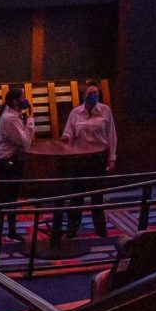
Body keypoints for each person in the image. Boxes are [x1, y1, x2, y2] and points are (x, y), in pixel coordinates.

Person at [59, 84, 117, 238]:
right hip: (79, 159)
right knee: (76, 195)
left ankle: (101, 230)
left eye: (96, 93)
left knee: (97, 196)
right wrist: (66, 138)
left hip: (97, 158)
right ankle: (72, 229)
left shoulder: (105, 110)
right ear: (84, 95)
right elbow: (68, 132)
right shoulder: (75, 113)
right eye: (90, 93)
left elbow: (111, 135)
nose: (93, 96)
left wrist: (112, 158)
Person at [0, 88, 34, 251]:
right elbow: (25, 142)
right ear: (15, 101)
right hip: (7, 164)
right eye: (23, 97)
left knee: (10, 200)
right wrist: (30, 123)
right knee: (3, 200)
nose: (25, 100)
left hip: (11, 162)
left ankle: (11, 232)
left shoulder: (13, 116)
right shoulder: (10, 118)